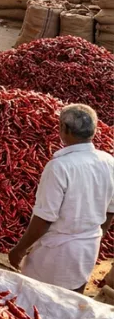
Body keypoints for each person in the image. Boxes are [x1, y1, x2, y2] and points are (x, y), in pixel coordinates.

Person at [10, 104, 114, 292]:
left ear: (64, 129)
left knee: (36, 301)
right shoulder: (109, 161)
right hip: (89, 246)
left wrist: (20, 249)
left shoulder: (59, 167)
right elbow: (111, 210)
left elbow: (44, 219)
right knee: (72, 301)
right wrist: (95, 235)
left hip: (57, 252)